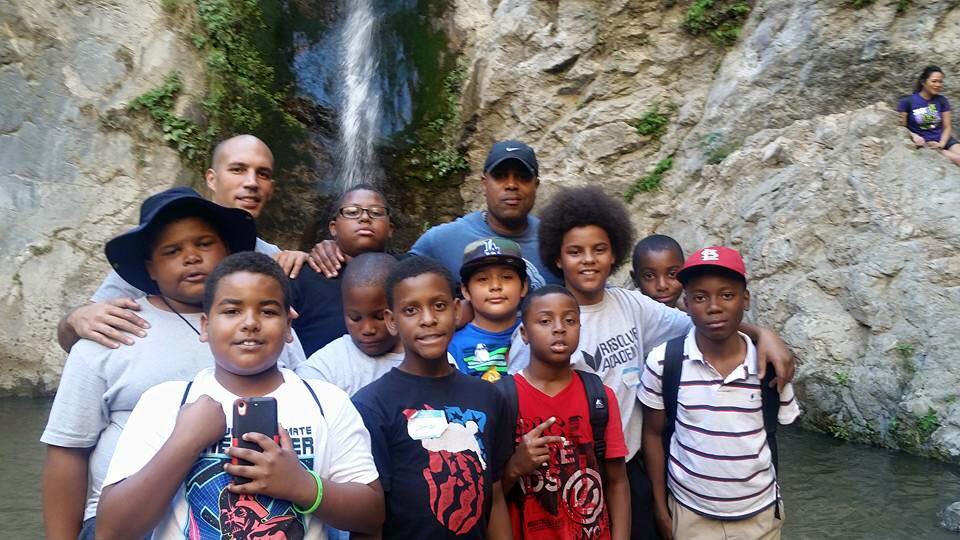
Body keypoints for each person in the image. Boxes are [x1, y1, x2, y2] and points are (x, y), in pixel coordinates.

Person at [509, 185, 796, 540]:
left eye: (599, 250)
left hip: (628, 469)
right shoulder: (544, 320)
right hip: (567, 472)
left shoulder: (632, 306)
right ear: (556, 257)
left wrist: (761, 334)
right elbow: (519, 399)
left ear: (614, 254)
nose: (588, 260)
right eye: (575, 251)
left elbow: (706, 321)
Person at [40, 187, 301, 540]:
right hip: (127, 526)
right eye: (172, 250)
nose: (191, 257)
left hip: (250, 520)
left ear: (227, 251)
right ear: (150, 267)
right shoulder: (111, 331)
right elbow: (67, 453)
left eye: (204, 244)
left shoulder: (268, 329)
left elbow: (305, 410)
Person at [95, 252, 384, 539]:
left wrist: (301, 485)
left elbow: (371, 513)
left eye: (268, 311)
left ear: (288, 325)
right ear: (206, 326)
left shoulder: (327, 402)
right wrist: (185, 442)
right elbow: (112, 531)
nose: (250, 323)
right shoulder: (166, 403)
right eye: (232, 311)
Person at [56, 134, 315, 353]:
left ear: (272, 187)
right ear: (211, 179)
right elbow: (82, 331)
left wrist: (315, 255)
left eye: (263, 174)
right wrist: (74, 320)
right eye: (238, 169)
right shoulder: (154, 256)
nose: (251, 183)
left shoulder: (274, 259)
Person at [639, 246, 800, 540]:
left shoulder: (770, 366)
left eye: (727, 295)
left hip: (759, 515)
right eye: (700, 297)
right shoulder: (664, 362)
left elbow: (775, 431)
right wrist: (661, 509)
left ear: (746, 299)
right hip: (690, 515)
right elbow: (652, 434)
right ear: (686, 303)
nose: (714, 306)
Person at [352, 256, 514, 539]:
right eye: (411, 310)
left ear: (455, 310)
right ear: (392, 321)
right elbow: (368, 519)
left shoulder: (488, 396)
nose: (428, 319)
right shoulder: (372, 404)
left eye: (438, 306)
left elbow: (496, 493)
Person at [309, 140, 554, 288]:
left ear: (536, 185)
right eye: (500, 176)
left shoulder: (556, 242)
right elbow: (385, 269)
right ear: (483, 183)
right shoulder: (441, 240)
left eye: (522, 177)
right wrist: (332, 249)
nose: (511, 185)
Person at [500, 285, 630, 539]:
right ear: (524, 334)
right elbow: (489, 494)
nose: (559, 328)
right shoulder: (503, 398)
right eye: (545, 320)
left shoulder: (599, 396)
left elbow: (617, 481)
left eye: (570, 320)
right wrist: (515, 467)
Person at [291, 184, 395, 357]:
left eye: (376, 212)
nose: (364, 218)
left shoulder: (408, 273)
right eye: (352, 212)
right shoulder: (301, 275)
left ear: (390, 229)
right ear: (333, 227)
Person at [296, 252, 402, 396]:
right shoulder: (323, 368)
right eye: (355, 318)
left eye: (379, 317)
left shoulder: (427, 359)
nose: (368, 329)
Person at [449, 238, 529, 381]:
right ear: (466, 291)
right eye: (482, 279)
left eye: (506, 277)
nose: (495, 286)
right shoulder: (454, 345)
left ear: (523, 287)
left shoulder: (536, 333)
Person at [898, 66, 960, 166]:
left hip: (944, 140)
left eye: (940, 82)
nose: (938, 85)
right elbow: (901, 128)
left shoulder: (941, 100)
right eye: (934, 81)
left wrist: (941, 144)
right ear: (923, 82)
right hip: (928, 144)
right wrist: (914, 136)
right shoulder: (907, 102)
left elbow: (947, 127)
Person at [631, 234, 685, 310]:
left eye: (672, 274)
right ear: (635, 279)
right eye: (649, 276)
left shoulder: (692, 316)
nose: (662, 286)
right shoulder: (629, 318)